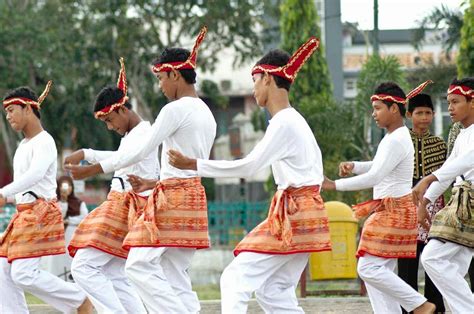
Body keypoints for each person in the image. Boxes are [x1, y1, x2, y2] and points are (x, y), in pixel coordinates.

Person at [168, 37, 332, 313]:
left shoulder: (284, 123)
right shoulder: (295, 121)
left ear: (267, 77)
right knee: (273, 291)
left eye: (255, 80)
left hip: (294, 214)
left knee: (233, 279)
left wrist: (194, 164)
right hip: (306, 213)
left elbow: (247, 167)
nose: (253, 87)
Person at [66, 27, 217, 314]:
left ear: (174, 75)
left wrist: (92, 168)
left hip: (172, 198)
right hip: (193, 197)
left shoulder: (174, 110)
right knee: (174, 277)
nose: (160, 85)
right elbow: (189, 163)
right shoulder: (205, 112)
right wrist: (150, 180)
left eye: (160, 78)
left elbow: (140, 149)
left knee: (137, 267)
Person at [323, 81, 436, 314]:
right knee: (377, 276)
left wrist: (334, 185)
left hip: (393, 212)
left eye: (377, 108)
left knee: (368, 268)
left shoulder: (396, 139)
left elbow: (375, 176)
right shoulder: (395, 137)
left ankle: (419, 304)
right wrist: (354, 166)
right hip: (392, 210)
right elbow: (379, 167)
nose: (374, 114)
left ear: (394, 108)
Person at [64, 58, 156, 313]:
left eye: (109, 120)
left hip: (126, 205)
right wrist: (86, 152)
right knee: (115, 274)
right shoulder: (132, 135)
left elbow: (123, 159)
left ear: (122, 110)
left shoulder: (145, 133)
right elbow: (119, 158)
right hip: (122, 204)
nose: (109, 126)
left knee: (82, 267)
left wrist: (89, 168)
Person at [0, 83, 91, 313]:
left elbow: (36, 175)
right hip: (24, 213)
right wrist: (9, 200)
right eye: (6, 111)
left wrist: (3, 193)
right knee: (2, 267)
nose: (8, 116)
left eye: (11, 110)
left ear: (28, 108)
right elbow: (27, 188)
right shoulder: (22, 145)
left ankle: (79, 299)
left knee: (22, 273)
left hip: (40, 213)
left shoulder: (45, 141)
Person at [412, 77, 474, 313]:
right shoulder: (462, 135)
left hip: (468, 206)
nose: (450, 107)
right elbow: (449, 170)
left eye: (455, 101)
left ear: (473, 102)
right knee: (453, 270)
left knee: (432, 258)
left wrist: (427, 180)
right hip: (462, 205)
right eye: (448, 102)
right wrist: (425, 201)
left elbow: (463, 163)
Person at [398, 92, 446, 313]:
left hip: (434, 205)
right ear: (409, 114)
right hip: (406, 202)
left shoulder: (440, 145)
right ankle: (408, 307)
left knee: (432, 257)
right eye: (419, 113)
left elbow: (445, 177)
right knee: (407, 258)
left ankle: (434, 306)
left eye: (428, 113)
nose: (424, 118)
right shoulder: (400, 140)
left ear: (434, 115)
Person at [41, 175, 88, 280]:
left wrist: (70, 221)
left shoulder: (79, 203)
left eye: (69, 185)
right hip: (57, 238)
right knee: (56, 262)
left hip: (72, 237)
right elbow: (57, 216)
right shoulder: (54, 203)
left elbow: (84, 218)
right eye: (63, 186)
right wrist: (63, 200)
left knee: (71, 261)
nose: (67, 189)